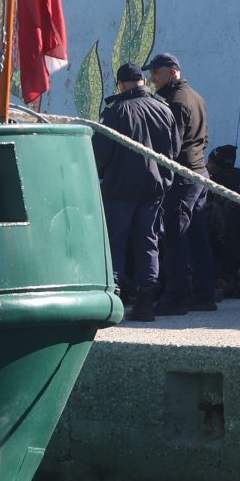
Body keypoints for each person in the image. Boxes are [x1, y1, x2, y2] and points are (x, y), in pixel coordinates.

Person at [94, 63, 176, 320]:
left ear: (121, 84)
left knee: (116, 243)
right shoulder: (164, 109)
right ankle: (145, 302)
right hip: (154, 189)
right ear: (142, 82)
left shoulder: (116, 111)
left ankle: (115, 302)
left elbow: (99, 153)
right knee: (148, 244)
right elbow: (174, 150)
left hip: (120, 188)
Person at [144, 53, 217, 314]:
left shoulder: (174, 101)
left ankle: (174, 298)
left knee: (176, 236)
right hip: (199, 172)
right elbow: (203, 137)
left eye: (156, 72)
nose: (152, 78)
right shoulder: (196, 97)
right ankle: (204, 294)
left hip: (183, 175)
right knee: (197, 237)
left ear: (173, 71)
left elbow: (171, 145)